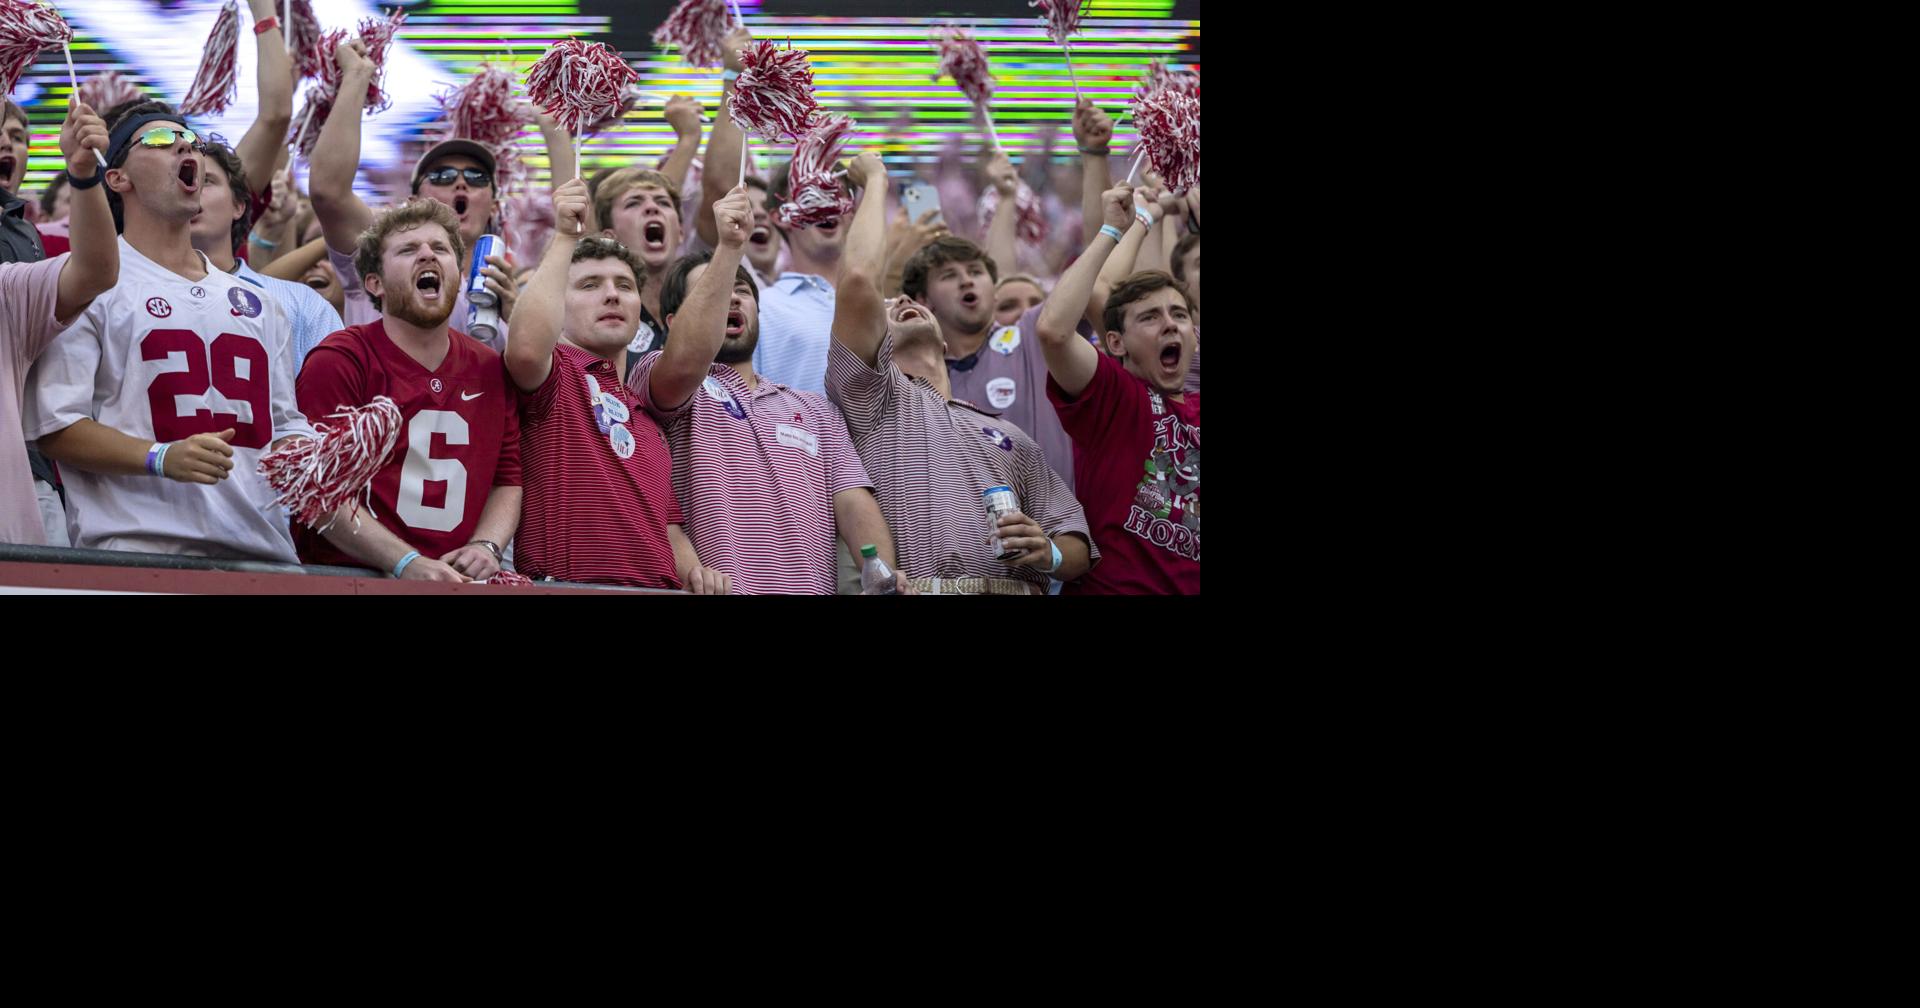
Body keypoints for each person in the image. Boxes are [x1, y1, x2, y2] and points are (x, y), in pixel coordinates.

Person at [26, 100, 316, 561]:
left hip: (264, 556)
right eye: (160, 140)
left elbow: (282, 426)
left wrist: (319, 453)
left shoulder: (261, 304)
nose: (185, 145)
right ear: (117, 178)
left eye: (194, 142)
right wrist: (159, 457)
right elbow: (54, 426)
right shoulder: (86, 285)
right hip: (139, 554)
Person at [825, 152, 1094, 594]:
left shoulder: (1008, 431)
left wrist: (1051, 552)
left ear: (943, 341)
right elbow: (858, 281)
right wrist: (876, 180)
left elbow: (1074, 538)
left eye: (909, 305)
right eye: (888, 309)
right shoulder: (871, 400)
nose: (899, 305)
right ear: (880, 344)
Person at [626, 187, 901, 595]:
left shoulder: (815, 408)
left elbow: (851, 498)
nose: (732, 299)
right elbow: (685, 361)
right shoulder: (660, 380)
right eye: (718, 292)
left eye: (742, 291)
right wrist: (730, 247)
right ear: (672, 320)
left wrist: (883, 576)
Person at [502, 176, 729, 592]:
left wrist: (698, 574)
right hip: (568, 585)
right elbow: (525, 351)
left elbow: (669, 526)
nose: (612, 295)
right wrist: (565, 236)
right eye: (590, 285)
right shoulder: (556, 376)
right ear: (559, 302)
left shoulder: (647, 416)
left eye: (624, 286)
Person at [292, 199, 522, 582]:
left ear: (459, 276)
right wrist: (404, 562)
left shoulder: (490, 367)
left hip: (455, 583)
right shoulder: (341, 358)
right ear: (374, 283)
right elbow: (316, 488)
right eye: (408, 249)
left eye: (441, 248)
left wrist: (487, 545)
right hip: (351, 581)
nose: (428, 254)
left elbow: (508, 477)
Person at [307, 38, 575, 354]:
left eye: (477, 178)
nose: (460, 183)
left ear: (494, 206)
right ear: (413, 201)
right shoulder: (379, 258)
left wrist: (555, 132)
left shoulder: (510, 297)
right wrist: (356, 76)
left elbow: (574, 236)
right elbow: (329, 193)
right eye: (442, 176)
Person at [1036, 185, 1199, 594]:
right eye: (1150, 317)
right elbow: (1054, 332)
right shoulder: (1114, 396)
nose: (1169, 324)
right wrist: (1115, 228)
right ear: (1116, 344)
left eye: (1179, 314)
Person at [1, 100, 113, 545]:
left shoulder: (14, 265)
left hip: (22, 470)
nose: (5, 142)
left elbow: (96, 273)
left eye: (16, 135)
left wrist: (83, 175)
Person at [902, 234, 1078, 488]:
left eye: (975, 271)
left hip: (1058, 524)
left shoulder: (1032, 335)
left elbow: (1096, 280)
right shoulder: (914, 379)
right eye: (948, 275)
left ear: (994, 292)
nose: (966, 281)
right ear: (923, 301)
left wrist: (1114, 230)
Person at [187, 140, 344, 366]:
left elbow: (332, 396)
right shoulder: (130, 296)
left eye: (206, 180)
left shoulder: (302, 305)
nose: (190, 190)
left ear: (238, 206)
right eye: (182, 180)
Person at [591, 165, 684, 372]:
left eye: (663, 202)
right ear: (609, 237)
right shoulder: (595, 310)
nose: (652, 208)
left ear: (680, 232)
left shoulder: (702, 306)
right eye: (633, 203)